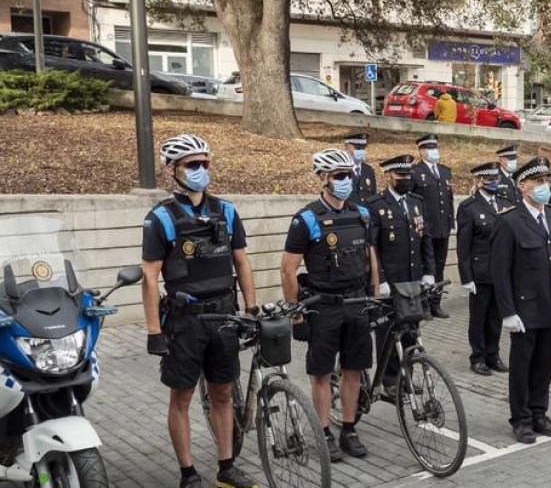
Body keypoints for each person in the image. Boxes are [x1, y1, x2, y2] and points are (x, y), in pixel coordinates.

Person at [141, 134, 259, 488]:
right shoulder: (160, 217)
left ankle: (226, 467)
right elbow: (149, 275)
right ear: (172, 170)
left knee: (223, 393)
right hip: (185, 322)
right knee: (182, 396)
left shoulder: (226, 210)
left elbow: (242, 262)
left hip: (223, 316)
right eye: (193, 165)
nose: (201, 170)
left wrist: (251, 309)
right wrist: (153, 331)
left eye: (205, 164)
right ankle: (188, 473)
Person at [281, 149, 380, 462]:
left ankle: (349, 428)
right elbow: (287, 269)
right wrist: (296, 312)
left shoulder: (361, 214)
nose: (346, 181)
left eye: (348, 175)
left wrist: (375, 294)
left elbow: (370, 255)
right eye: (339, 176)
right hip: (323, 306)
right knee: (322, 374)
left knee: (354, 369)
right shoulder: (306, 219)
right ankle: (324, 431)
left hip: (357, 302)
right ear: (322, 178)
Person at [491, 157, 551, 444]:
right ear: (522, 185)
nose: (544, 186)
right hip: (525, 308)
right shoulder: (509, 221)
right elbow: (500, 272)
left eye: (547, 181)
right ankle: (521, 418)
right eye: (538, 182)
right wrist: (508, 312)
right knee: (523, 365)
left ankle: (540, 413)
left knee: (545, 364)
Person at [366, 154, 435, 392]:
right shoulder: (376, 206)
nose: (405, 179)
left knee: (411, 332)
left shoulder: (417, 202)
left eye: (408, 175)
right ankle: (389, 379)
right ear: (388, 176)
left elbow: (425, 239)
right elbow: (372, 247)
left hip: (414, 279)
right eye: (400, 175)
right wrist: (380, 280)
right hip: (391, 282)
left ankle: (408, 374)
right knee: (388, 333)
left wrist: (429, 272)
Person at [457, 162, 514, 376]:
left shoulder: (505, 203)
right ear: (479, 181)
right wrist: (466, 277)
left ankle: (493, 354)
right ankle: (478, 356)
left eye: (496, 179)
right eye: (489, 180)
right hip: (480, 272)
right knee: (479, 317)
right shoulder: (468, 207)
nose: (494, 183)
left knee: (496, 316)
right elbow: (464, 246)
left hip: (500, 272)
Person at [412, 134, 454, 317]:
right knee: (425, 266)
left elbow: (448, 199)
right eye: (429, 148)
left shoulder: (445, 171)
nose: (434, 151)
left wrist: (450, 221)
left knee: (439, 266)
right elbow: (413, 202)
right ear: (421, 151)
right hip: (425, 230)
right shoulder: (415, 172)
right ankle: (424, 304)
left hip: (442, 228)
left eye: (435, 147)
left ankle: (435, 303)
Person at [343, 132, 377, 203]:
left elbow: (373, 197)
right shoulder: (341, 170)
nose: (361, 151)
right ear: (346, 147)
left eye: (363, 148)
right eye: (357, 148)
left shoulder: (369, 170)